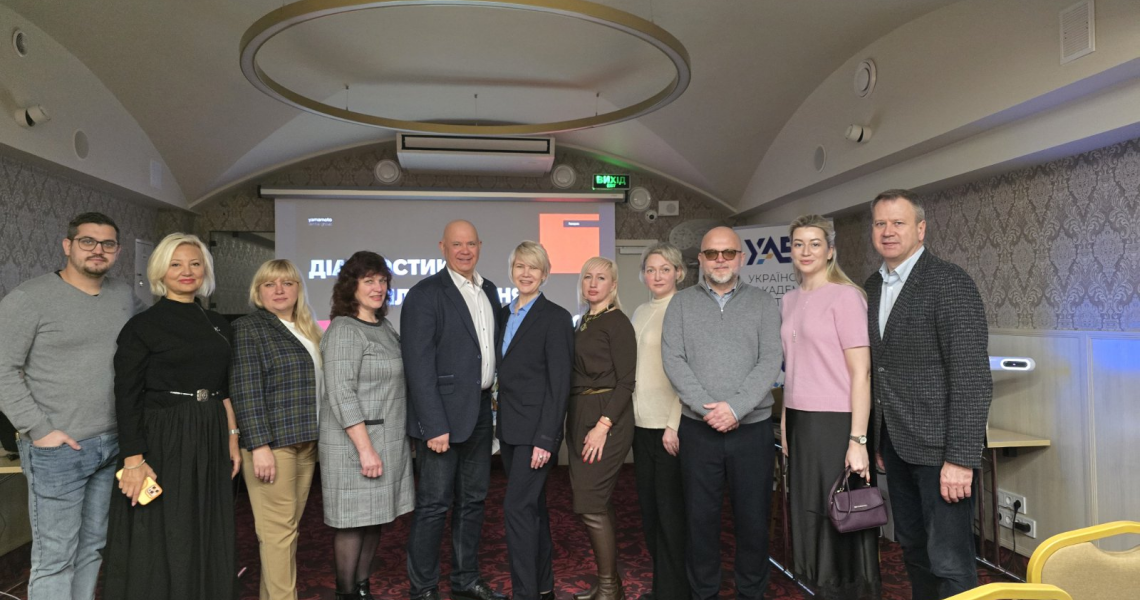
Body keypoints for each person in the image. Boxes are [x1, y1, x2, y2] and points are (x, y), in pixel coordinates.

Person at [0, 212, 139, 600]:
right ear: (68, 245)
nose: (98, 250)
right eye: (88, 242)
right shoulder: (29, 298)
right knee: (55, 557)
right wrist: (39, 430)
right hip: (58, 451)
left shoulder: (124, 295)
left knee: (92, 548)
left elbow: (156, 334)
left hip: (111, 444)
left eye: (107, 244)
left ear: (118, 251)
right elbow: (2, 369)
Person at [864, 190, 991, 600]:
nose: (888, 232)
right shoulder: (871, 286)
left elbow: (971, 377)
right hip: (896, 446)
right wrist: (879, 436)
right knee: (913, 550)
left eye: (898, 223)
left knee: (950, 561)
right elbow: (880, 369)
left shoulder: (950, 282)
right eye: (880, 223)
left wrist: (960, 459)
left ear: (920, 229)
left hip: (941, 454)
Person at [102, 232, 241, 600]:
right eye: (176, 264)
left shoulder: (218, 324)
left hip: (210, 431)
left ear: (205, 271)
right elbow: (126, 395)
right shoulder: (142, 326)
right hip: (165, 434)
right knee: (168, 526)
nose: (187, 271)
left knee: (205, 523)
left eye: (195, 263)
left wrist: (232, 437)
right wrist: (134, 460)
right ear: (160, 272)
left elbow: (222, 388)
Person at [661, 226, 782, 600]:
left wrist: (735, 408)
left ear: (741, 258)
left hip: (753, 430)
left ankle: (751, 593)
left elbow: (770, 361)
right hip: (699, 431)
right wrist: (709, 409)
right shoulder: (680, 304)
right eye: (712, 253)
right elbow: (673, 361)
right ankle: (704, 593)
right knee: (700, 522)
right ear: (699, 259)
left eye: (728, 253)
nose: (720, 260)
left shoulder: (763, 303)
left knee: (753, 522)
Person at [402, 220, 506, 600]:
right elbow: (418, 365)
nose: (465, 251)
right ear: (442, 247)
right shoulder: (425, 294)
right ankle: (424, 589)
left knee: (473, 501)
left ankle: (465, 581)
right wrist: (433, 425)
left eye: (471, 244)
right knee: (433, 506)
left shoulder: (489, 290)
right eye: (456, 244)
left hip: (480, 412)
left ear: (480, 246)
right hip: (440, 419)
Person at [780, 215, 880, 599]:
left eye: (815, 244)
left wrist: (858, 439)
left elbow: (862, 374)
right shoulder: (788, 300)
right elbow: (793, 369)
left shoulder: (846, 296)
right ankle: (818, 587)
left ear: (830, 251)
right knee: (809, 512)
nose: (806, 251)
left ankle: (849, 591)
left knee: (840, 512)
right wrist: (787, 422)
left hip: (837, 421)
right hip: (800, 422)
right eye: (799, 244)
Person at [321, 251, 415, 600]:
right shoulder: (344, 330)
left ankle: (363, 589)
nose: (378, 288)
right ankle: (347, 592)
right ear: (352, 286)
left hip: (385, 439)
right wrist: (365, 449)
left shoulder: (384, 326)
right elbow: (341, 394)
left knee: (374, 518)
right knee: (351, 523)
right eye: (368, 280)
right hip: (356, 445)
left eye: (382, 280)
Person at [230, 259, 323, 600]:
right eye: (270, 284)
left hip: (305, 442)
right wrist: (259, 447)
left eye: (287, 283)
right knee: (277, 533)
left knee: (284, 533)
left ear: (299, 289)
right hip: (272, 446)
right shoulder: (249, 327)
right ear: (258, 292)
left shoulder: (308, 329)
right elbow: (245, 389)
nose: (279, 290)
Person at [495, 241, 574, 600]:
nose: (526, 273)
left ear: (545, 273)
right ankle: (543, 585)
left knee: (517, 509)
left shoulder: (555, 318)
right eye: (519, 266)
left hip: (535, 432)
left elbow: (560, 385)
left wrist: (546, 439)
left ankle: (524, 593)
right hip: (509, 430)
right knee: (533, 509)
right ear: (512, 270)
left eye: (533, 267)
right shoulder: (501, 314)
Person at [567, 256, 636, 600]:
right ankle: (611, 584)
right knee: (597, 501)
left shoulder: (617, 322)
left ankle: (610, 588)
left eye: (601, 278)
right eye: (587, 277)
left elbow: (626, 382)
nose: (593, 283)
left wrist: (602, 425)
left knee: (590, 502)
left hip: (606, 417)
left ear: (613, 285)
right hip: (581, 413)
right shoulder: (583, 322)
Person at [629, 243, 689, 600]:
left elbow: (690, 371)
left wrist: (674, 422)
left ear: (678, 272)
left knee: (671, 514)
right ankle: (662, 587)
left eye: (664, 269)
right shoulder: (639, 310)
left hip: (669, 427)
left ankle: (675, 591)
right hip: (640, 424)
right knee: (650, 511)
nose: (657, 276)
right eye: (650, 269)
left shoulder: (683, 309)